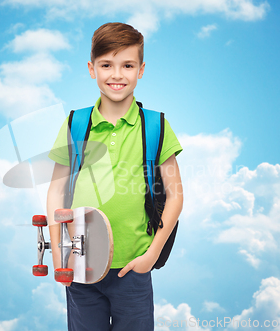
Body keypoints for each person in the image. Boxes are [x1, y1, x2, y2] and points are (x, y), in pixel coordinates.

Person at [46, 22, 183, 331]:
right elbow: (56, 191)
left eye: (128, 65)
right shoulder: (75, 123)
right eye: (106, 64)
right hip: (80, 265)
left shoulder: (156, 126)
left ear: (141, 69)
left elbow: (176, 195)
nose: (117, 75)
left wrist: (152, 254)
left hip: (133, 268)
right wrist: (58, 254)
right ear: (92, 69)